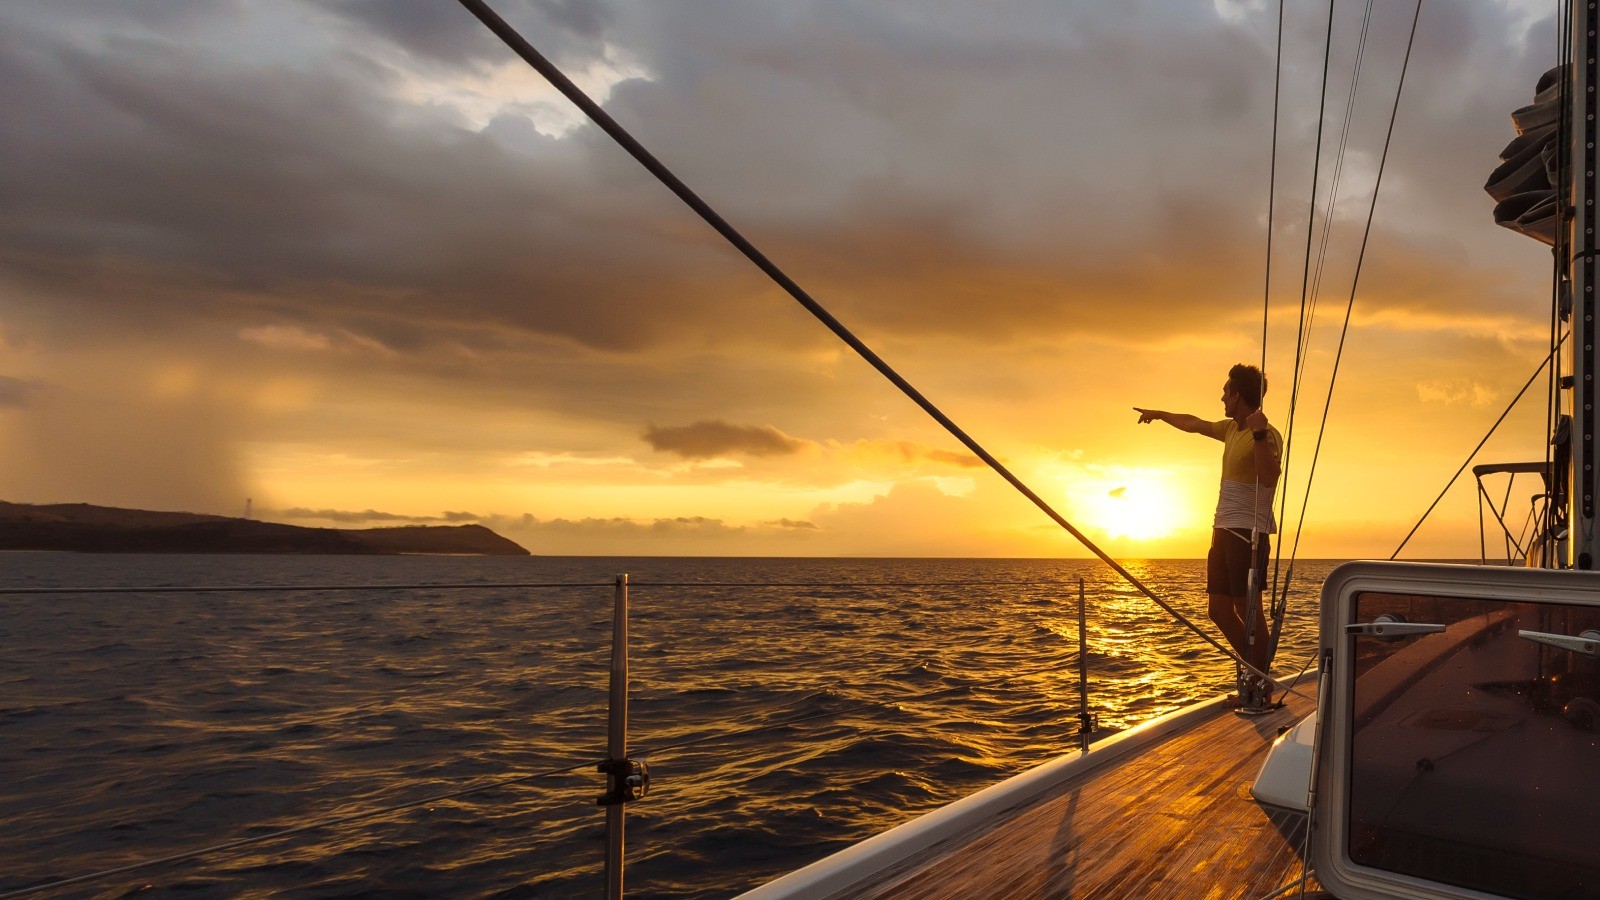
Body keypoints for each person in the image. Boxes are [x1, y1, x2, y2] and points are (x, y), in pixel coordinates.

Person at [1133, 364, 1282, 705]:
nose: (1221, 398)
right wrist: (1158, 414)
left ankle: (1260, 683)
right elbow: (1194, 424)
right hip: (1222, 531)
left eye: (1225, 392)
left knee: (1248, 610)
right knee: (1218, 610)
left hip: (1249, 532)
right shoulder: (1231, 429)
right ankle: (1254, 671)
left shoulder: (1266, 433)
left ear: (1237, 396)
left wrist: (1259, 434)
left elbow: (1270, 475)